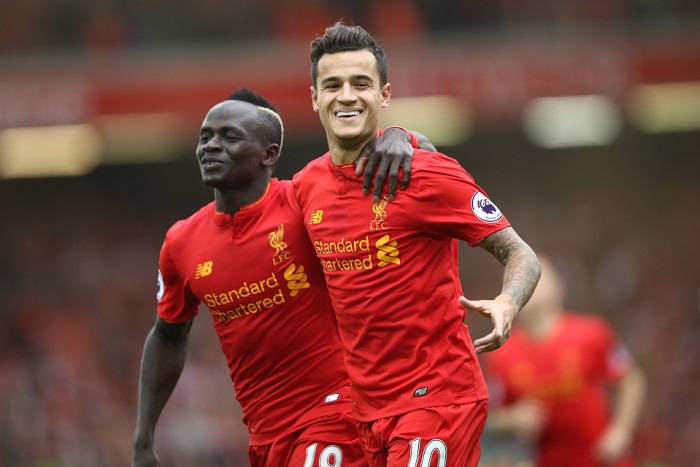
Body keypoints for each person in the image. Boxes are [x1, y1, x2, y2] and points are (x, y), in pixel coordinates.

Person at [132, 88, 435, 466]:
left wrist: (400, 136)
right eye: (205, 136)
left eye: (229, 136)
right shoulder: (181, 242)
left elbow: (422, 154)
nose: (211, 145)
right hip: (265, 434)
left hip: (337, 413)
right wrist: (143, 437)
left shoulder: (306, 201)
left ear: (269, 154)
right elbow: (168, 334)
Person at [292, 22, 541, 467]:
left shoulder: (426, 174)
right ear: (314, 97)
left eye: (361, 84)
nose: (346, 96)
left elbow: (521, 254)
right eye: (332, 85)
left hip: (439, 398)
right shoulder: (304, 187)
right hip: (366, 411)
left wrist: (508, 301)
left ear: (384, 94)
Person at [481, 255, 647, 467]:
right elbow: (489, 416)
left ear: (557, 285)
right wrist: (513, 419)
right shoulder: (501, 355)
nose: (526, 284)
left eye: (534, 275)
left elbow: (631, 381)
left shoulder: (592, 333)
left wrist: (621, 430)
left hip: (603, 460)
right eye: (516, 278)